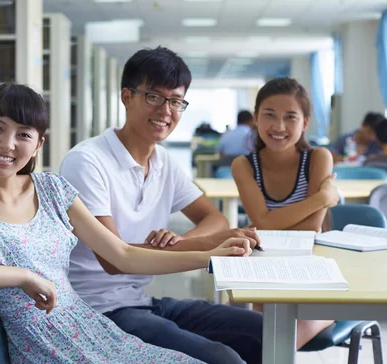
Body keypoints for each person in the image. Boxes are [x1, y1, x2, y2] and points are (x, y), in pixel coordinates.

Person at [0, 83, 253, 364]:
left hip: (92, 329)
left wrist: (208, 258)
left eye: (23, 134)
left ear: (38, 144)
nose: (7, 144)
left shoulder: (54, 190)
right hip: (46, 349)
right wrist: (22, 276)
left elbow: (122, 255)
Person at [60, 47, 263, 364]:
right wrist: (208, 246)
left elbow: (214, 218)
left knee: (263, 331)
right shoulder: (87, 161)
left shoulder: (163, 161)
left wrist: (182, 239)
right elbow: (116, 260)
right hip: (94, 309)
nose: (166, 110)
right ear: (127, 97)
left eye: (176, 101)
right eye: (154, 97)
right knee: (221, 358)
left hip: (139, 300)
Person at [231, 77, 341, 349]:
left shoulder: (318, 158)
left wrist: (273, 223)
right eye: (269, 115)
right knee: (254, 339)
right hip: (265, 267)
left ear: (304, 123)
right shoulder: (243, 165)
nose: (279, 127)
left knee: (266, 347)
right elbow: (263, 223)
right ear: (255, 118)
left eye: (290, 117)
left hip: (314, 269)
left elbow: (308, 231)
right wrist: (323, 198)